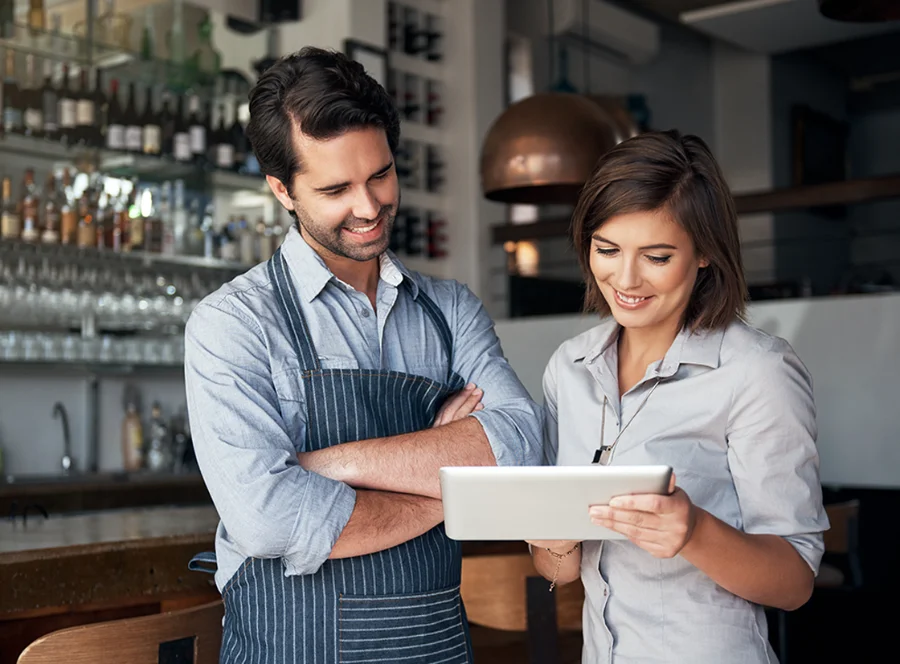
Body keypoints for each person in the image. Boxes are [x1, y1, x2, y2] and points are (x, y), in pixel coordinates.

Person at [183, 46, 542, 663]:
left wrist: (328, 464)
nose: (369, 207)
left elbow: (520, 448)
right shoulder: (232, 324)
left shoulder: (450, 311)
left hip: (435, 647)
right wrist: (449, 486)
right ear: (282, 190)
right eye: (336, 188)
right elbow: (268, 518)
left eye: (379, 175)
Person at [529, 129, 829, 663]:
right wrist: (551, 539)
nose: (625, 278)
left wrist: (693, 530)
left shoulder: (758, 372)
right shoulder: (568, 369)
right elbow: (558, 572)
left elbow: (795, 583)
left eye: (657, 256)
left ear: (705, 254)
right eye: (607, 249)